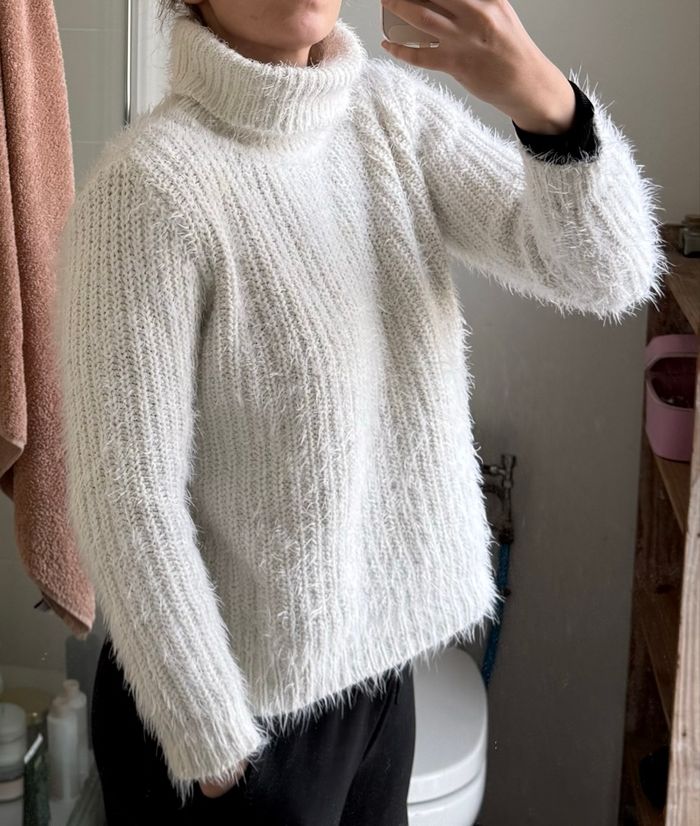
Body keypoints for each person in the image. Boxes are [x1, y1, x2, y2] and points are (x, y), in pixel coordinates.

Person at [53, 0, 667, 823]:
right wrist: (221, 755)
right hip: (229, 723)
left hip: (377, 690)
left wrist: (540, 97)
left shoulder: (388, 117)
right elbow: (128, 500)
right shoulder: (147, 191)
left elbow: (611, 272)